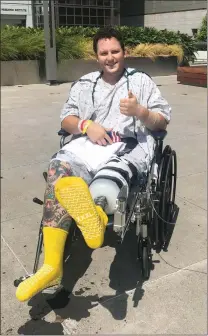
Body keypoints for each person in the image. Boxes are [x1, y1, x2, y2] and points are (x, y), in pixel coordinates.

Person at [16, 27, 171, 302]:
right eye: (104, 53)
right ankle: (51, 266)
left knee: (106, 182)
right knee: (58, 172)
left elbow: (162, 122)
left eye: (115, 51)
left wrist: (140, 112)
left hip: (128, 147)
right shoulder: (85, 83)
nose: (110, 57)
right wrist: (87, 125)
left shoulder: (142, 82)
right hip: (89, 144)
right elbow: (66, 120)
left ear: (125, 52)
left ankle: (96, 216)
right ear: (96, 56)